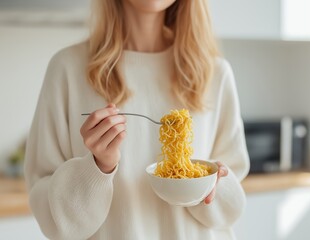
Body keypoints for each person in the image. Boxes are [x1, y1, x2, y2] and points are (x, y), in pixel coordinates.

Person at [24, 0, 250, 239]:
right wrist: (97, 168)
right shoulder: (67, 69)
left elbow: (231, 207)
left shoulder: (215, 73)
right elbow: (53, 219)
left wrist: (211, 183)